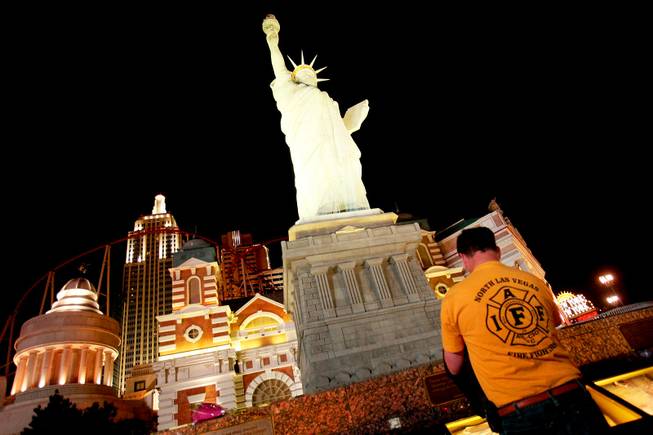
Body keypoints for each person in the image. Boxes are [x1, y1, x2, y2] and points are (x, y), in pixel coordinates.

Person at [440, 227, 608, 434]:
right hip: (573, 393)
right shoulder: (534, 282)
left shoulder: (455, 297)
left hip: (519, 410)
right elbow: (554, 322)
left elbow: (454, 366)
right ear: (498, 250)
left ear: (462, 257)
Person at [262, 14, 370, 220]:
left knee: (344, 170)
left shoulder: (327, 100)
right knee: (317, 176)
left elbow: (340, 130)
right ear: (295, 79)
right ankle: (323, 209)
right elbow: (279, 69)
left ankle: (350, 204)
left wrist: (352, 122)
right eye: (304, 74)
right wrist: (272, 43)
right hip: (309, 148)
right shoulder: (292, 93)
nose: (310, 75)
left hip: (336, 149)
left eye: (312, 74)